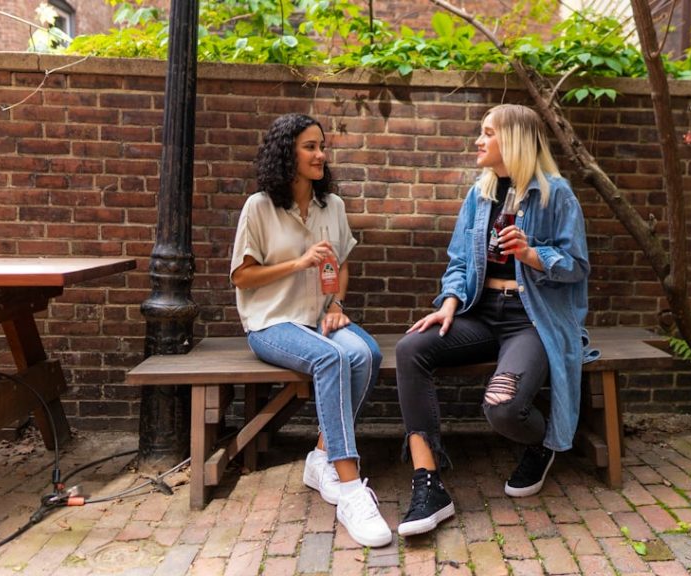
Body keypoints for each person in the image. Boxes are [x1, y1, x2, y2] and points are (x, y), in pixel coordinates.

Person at [394, 104, 594, 537]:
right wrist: (449, 300)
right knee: (411, 348)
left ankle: (544, 442)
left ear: (515, 140)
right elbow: (460, 261)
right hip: (480, 315)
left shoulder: (556, 194)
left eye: (488, 133)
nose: (478, 141)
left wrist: (531, 254)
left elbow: (577, 266)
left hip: (532, 320)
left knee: (502, 409)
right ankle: (428, 482)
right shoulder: (479, 195)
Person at [230, 113, 390, 547]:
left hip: (320, 319)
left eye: (322, 146)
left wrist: (336, 304)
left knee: (367, 353)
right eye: (310, 147)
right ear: (288, 153)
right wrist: (298, 263)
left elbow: (342, 265)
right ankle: (350, 485)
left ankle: (321, 455)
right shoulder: (259, 207)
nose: (321, 154)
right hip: (271, 322)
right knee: (333, 356)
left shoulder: (332, 206)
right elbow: (242, 278)